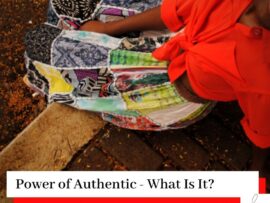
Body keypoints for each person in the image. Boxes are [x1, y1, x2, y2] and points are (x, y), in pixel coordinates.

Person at [24, 0, 269, 186]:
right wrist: (107, 30)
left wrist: (255, 185)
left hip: (159, 90)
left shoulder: (263, 73)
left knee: (38, 42)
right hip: (169, 38)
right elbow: (176, 10)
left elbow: (263, 138)